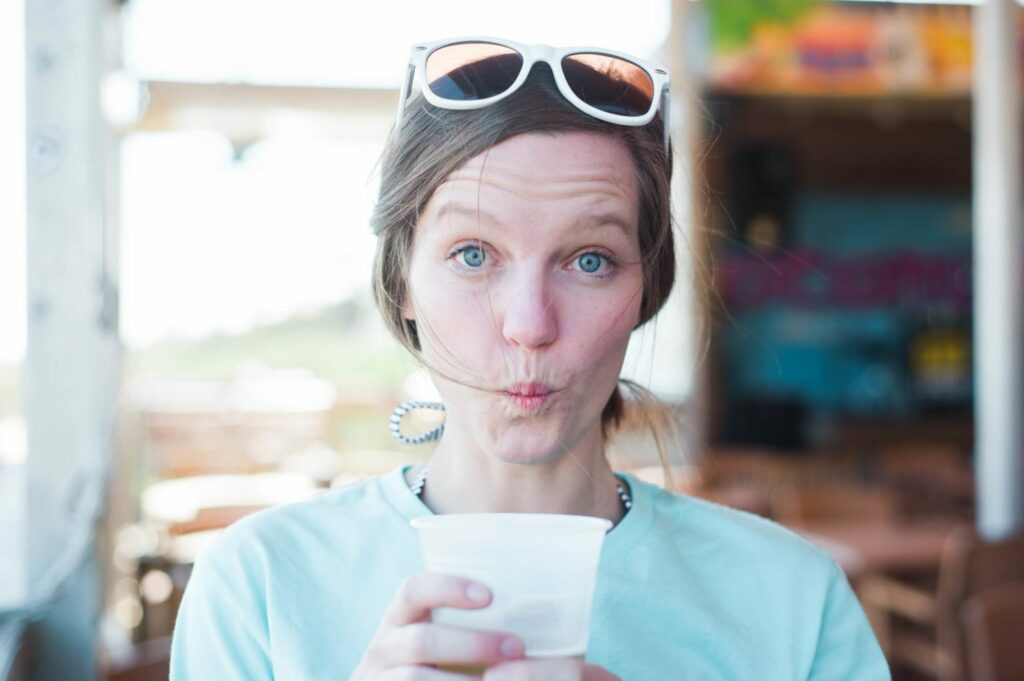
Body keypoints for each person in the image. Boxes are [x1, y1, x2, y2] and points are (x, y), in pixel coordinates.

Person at [169, 37, 890, 680]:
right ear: (402, 282)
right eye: (473, 254)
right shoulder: (259, 584)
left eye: (589, 259)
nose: (530, 325)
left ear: (646, 291)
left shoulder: (793, 599)